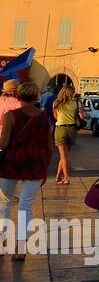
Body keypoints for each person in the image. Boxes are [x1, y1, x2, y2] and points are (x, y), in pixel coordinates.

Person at [0, 82, 53, 261]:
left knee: (4, 204)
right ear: (37, 96)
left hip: (11, 163)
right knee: (25, 206)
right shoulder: (44, 117)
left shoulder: (11, 116)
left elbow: (3, 144)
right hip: (35, 165)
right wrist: (45, 168)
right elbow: (49, 147)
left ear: (19, 96)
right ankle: (21, 248)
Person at [51, 85, 81, 185]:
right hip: (72, 129)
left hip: (60, 128)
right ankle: (61, 176)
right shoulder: (76, 103)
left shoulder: (56, 103)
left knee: (64, 156)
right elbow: (82, 116)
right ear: (71, 93)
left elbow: (55, 117)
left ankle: (64, 177)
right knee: (65, 155)